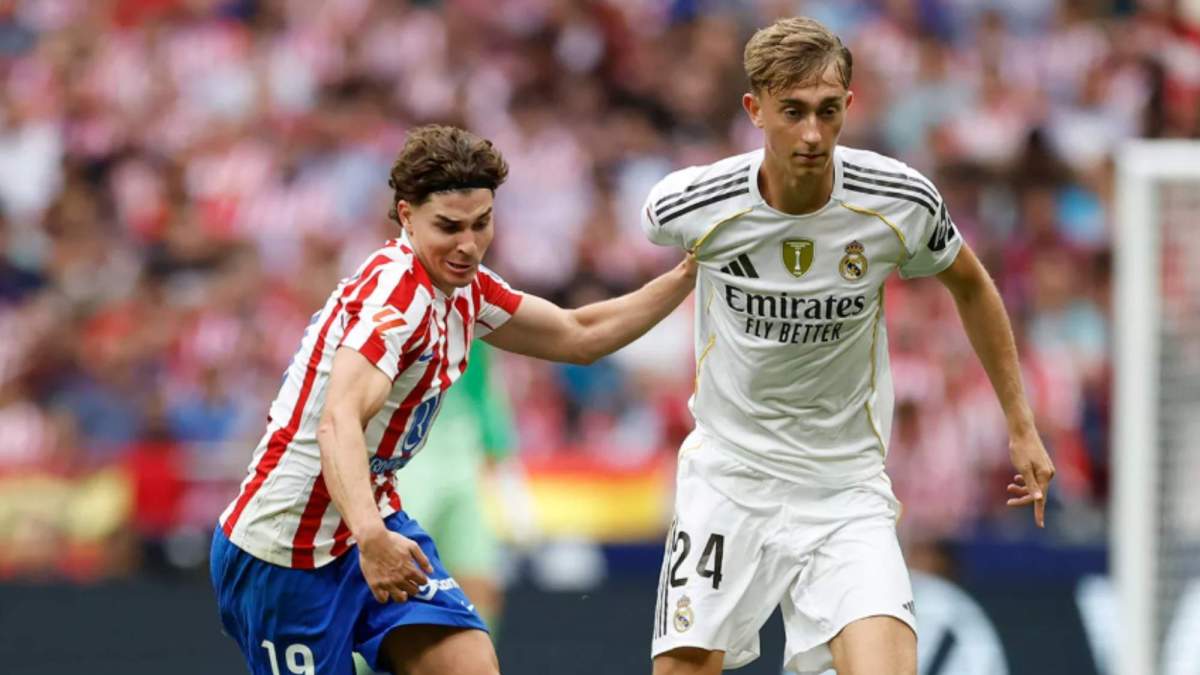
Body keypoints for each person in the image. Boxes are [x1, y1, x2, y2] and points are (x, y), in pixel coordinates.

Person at [640, 17, 1054, 675]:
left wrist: (1021, 424)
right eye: (793, 112)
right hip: (729, 476)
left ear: (848, 107)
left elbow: (972, 285)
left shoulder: (899, 200)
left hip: (844, 487)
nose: (811, 133)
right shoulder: (693, 204)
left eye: (828, 111)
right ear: (755, 109)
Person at [211, 124, 697, 675]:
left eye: (481, 224)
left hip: (369, 523)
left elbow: (577, 333)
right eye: (448, 227)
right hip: (284, 552)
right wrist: (372, 538)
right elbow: (338, 421)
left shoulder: (462, 287)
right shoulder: (395, 300)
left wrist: (691, 272)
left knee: (469, 665)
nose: (468, 245)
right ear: (406, 215)